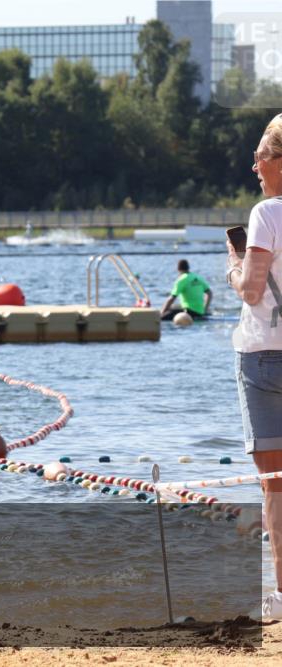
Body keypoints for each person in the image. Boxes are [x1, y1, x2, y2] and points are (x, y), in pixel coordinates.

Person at [226, 113, 282, 621]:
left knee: (276, 484)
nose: (254, 166)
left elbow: (253, 290)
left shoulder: (268, 213)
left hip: (265, 355)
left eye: (260, 157)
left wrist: (233, 266)